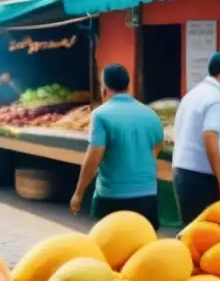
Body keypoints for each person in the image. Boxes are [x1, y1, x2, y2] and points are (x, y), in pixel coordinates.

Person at [70, 64, 164, 229]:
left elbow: (94, 157)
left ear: (104, 88)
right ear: (128, 86)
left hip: (112, 197)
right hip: (147, 196)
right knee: (143, 249)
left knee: (109, 250)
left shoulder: (101, 115)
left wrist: (78, 193)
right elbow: (157, 147)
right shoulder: (151, 114)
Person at [171, 52, 220, 225]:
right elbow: (210, 135)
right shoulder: (217, 99)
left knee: (191, 232)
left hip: (183, 172)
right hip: (202, 178)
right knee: (205, 235)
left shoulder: (194, 94)